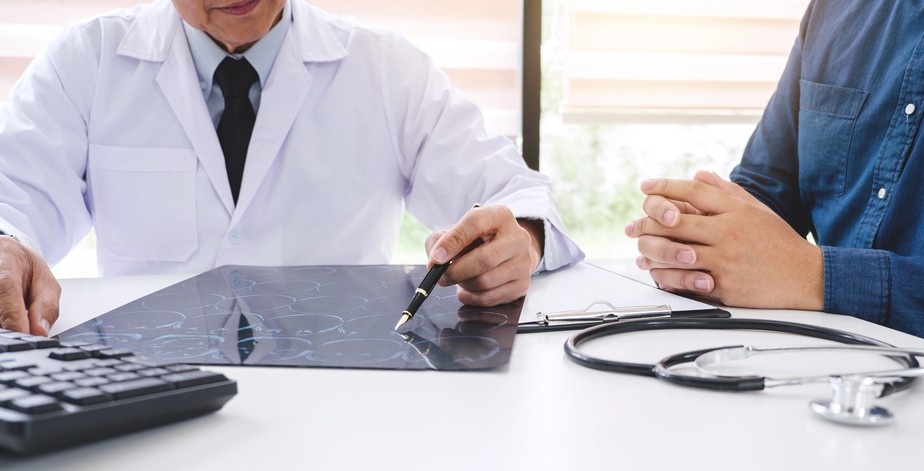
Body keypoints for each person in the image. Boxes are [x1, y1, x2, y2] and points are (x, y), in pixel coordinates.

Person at [0, 0, 584, 336]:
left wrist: (522, 241)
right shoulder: (89, 60)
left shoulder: (386, 68)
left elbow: (516, 195)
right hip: (148, 399)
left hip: (340, 396)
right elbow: (13, 194)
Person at [625, 0, 924, 361]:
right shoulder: (833, 8)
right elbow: (769, 185)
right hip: (810, 366)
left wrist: (817, 278)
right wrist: (702, 238)